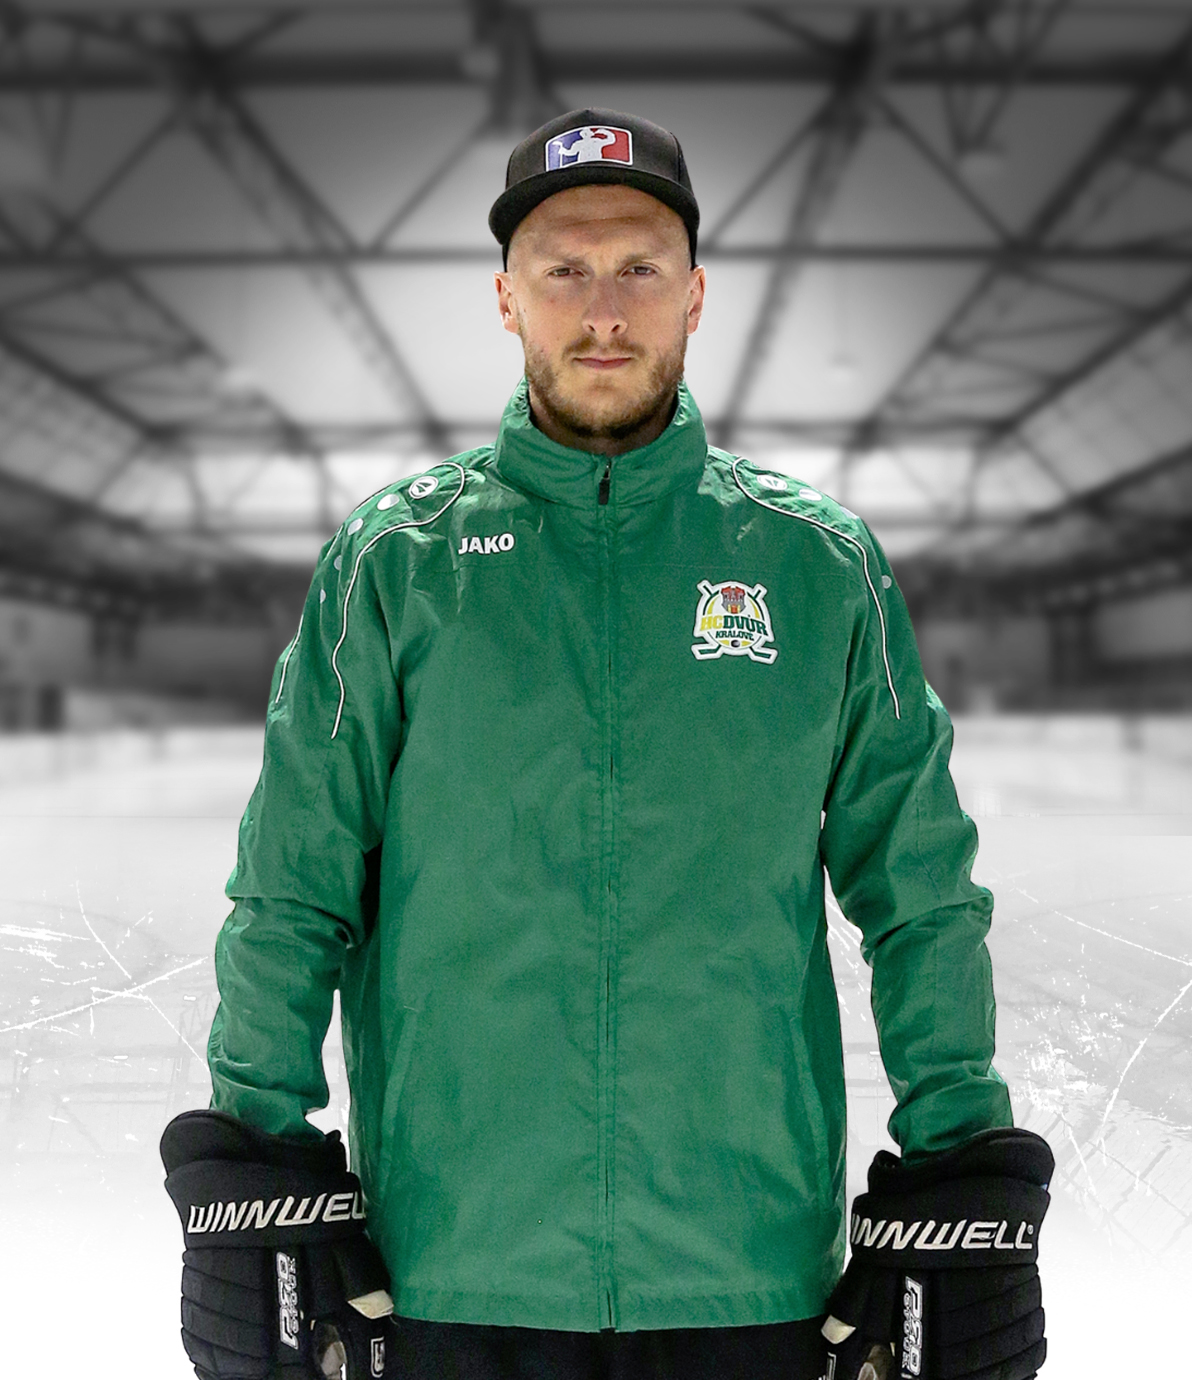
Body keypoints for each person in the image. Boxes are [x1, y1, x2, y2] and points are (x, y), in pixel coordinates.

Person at [161, 108, 1053, 1380]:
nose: (602, 311)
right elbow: (294, 883)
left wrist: (961, 1162)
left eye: (638, 267)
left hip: (744, 1268)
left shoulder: (814, 565)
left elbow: (919, 893)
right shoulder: (395, 563)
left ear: (694, 293)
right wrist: (253, 1155)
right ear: (505, 298)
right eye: (562, 270)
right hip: (452, 1265)